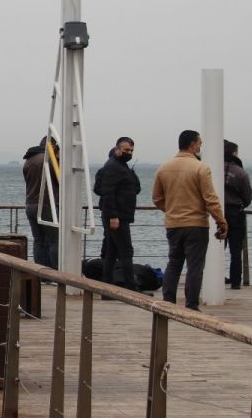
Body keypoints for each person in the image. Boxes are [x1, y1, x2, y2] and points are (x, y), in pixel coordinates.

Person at [151, 130, 228, 310]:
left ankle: (168, 301)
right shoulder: (201, 168)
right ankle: (191, 304)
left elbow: (156, 198)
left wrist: (170, 210)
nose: (200, 146)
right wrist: (221, 221)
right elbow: (210, 199)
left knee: (174, 262)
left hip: (173, 224)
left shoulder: (164, 167)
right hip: (196, 224)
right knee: (195, 266)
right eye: (199, 143)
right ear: (193, 145)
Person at [96, 137, 142, 291]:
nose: (129, 153)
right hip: (117, 217)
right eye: (126, 150)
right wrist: (113, 216)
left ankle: (107, 285)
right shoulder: (113, 167)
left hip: (120, 215)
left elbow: (135, 188)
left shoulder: (122, 167)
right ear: (117, 149)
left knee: (112, 251)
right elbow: (108, 192)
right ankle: (130, 286)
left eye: (131, 151)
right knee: (126, 251)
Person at [22, 137, 58, 270]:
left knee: (39, 240)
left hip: (30, 204)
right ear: (52, 146)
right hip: (46, 204)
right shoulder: (48, 160)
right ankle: (56, 272)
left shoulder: (29, 160)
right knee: (55, 240)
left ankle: (41, 273)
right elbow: (59, 179)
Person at [223, 140, 252, 290]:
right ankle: (235, 282)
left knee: (214, 247)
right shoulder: (240, 172)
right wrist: (241, 204)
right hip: (235, 212)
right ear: (234, 153)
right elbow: (247, 195)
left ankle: (213, 276)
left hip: (215, 212)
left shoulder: (210, 169)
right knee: (236, 250)